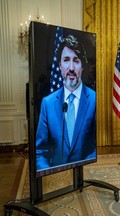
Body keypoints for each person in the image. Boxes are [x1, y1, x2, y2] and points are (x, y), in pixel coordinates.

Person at [36, 34, 96, 170]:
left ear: (82, 66)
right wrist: (49, 171)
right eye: (66, 60)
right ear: (60, 65)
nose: (71, 68)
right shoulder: (47, 103)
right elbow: (40, 152)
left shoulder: (94, 99)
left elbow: (95, 148)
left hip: (85, 169)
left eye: (76, 60)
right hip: (56, 175)